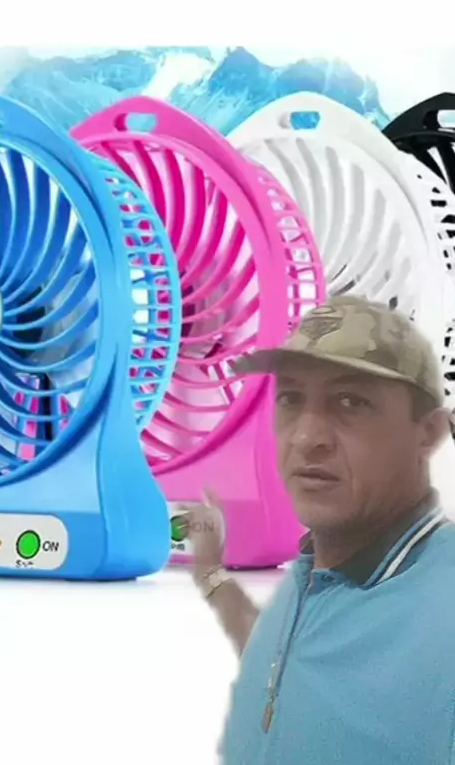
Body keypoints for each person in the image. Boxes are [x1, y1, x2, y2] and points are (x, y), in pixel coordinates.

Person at [183, 296, 455, 764]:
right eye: (290, 398)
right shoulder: (314, 572)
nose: (307, 438)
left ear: (428, 433)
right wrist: (211, 574)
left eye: (351, 402)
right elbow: (292, 661)